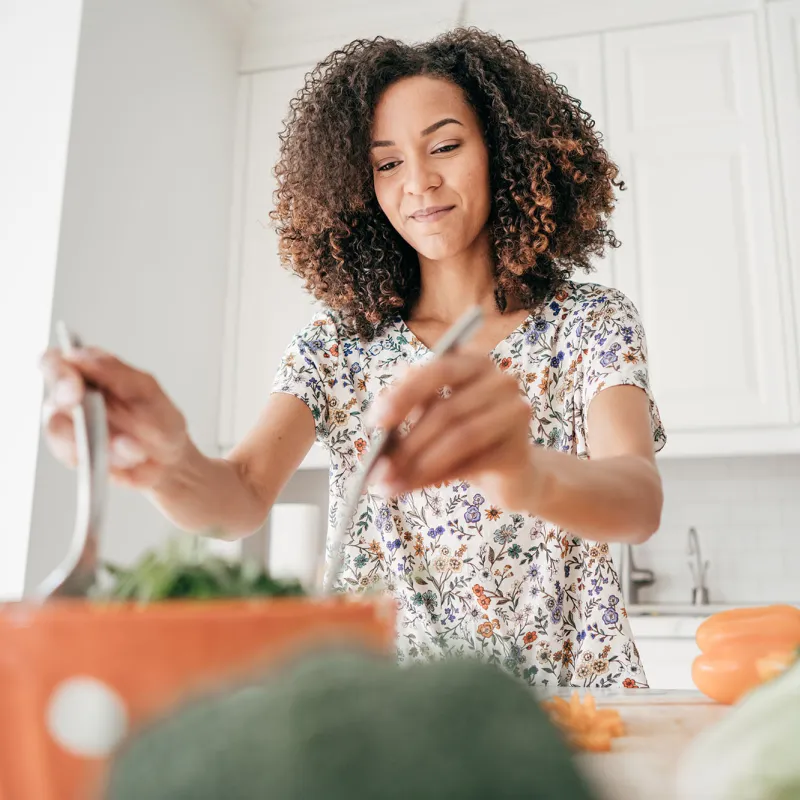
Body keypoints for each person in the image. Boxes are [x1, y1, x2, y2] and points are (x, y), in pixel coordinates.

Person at [40, 29, 665, 688]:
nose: (419, 182)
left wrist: (524, 474)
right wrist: (165, 461)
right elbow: (240, 498)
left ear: (506, 155)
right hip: (393, 714)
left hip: (575, 712)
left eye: (445, 147)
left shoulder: (590, 322)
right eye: (387, 163)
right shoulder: (338, 344)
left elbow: (637, 500)